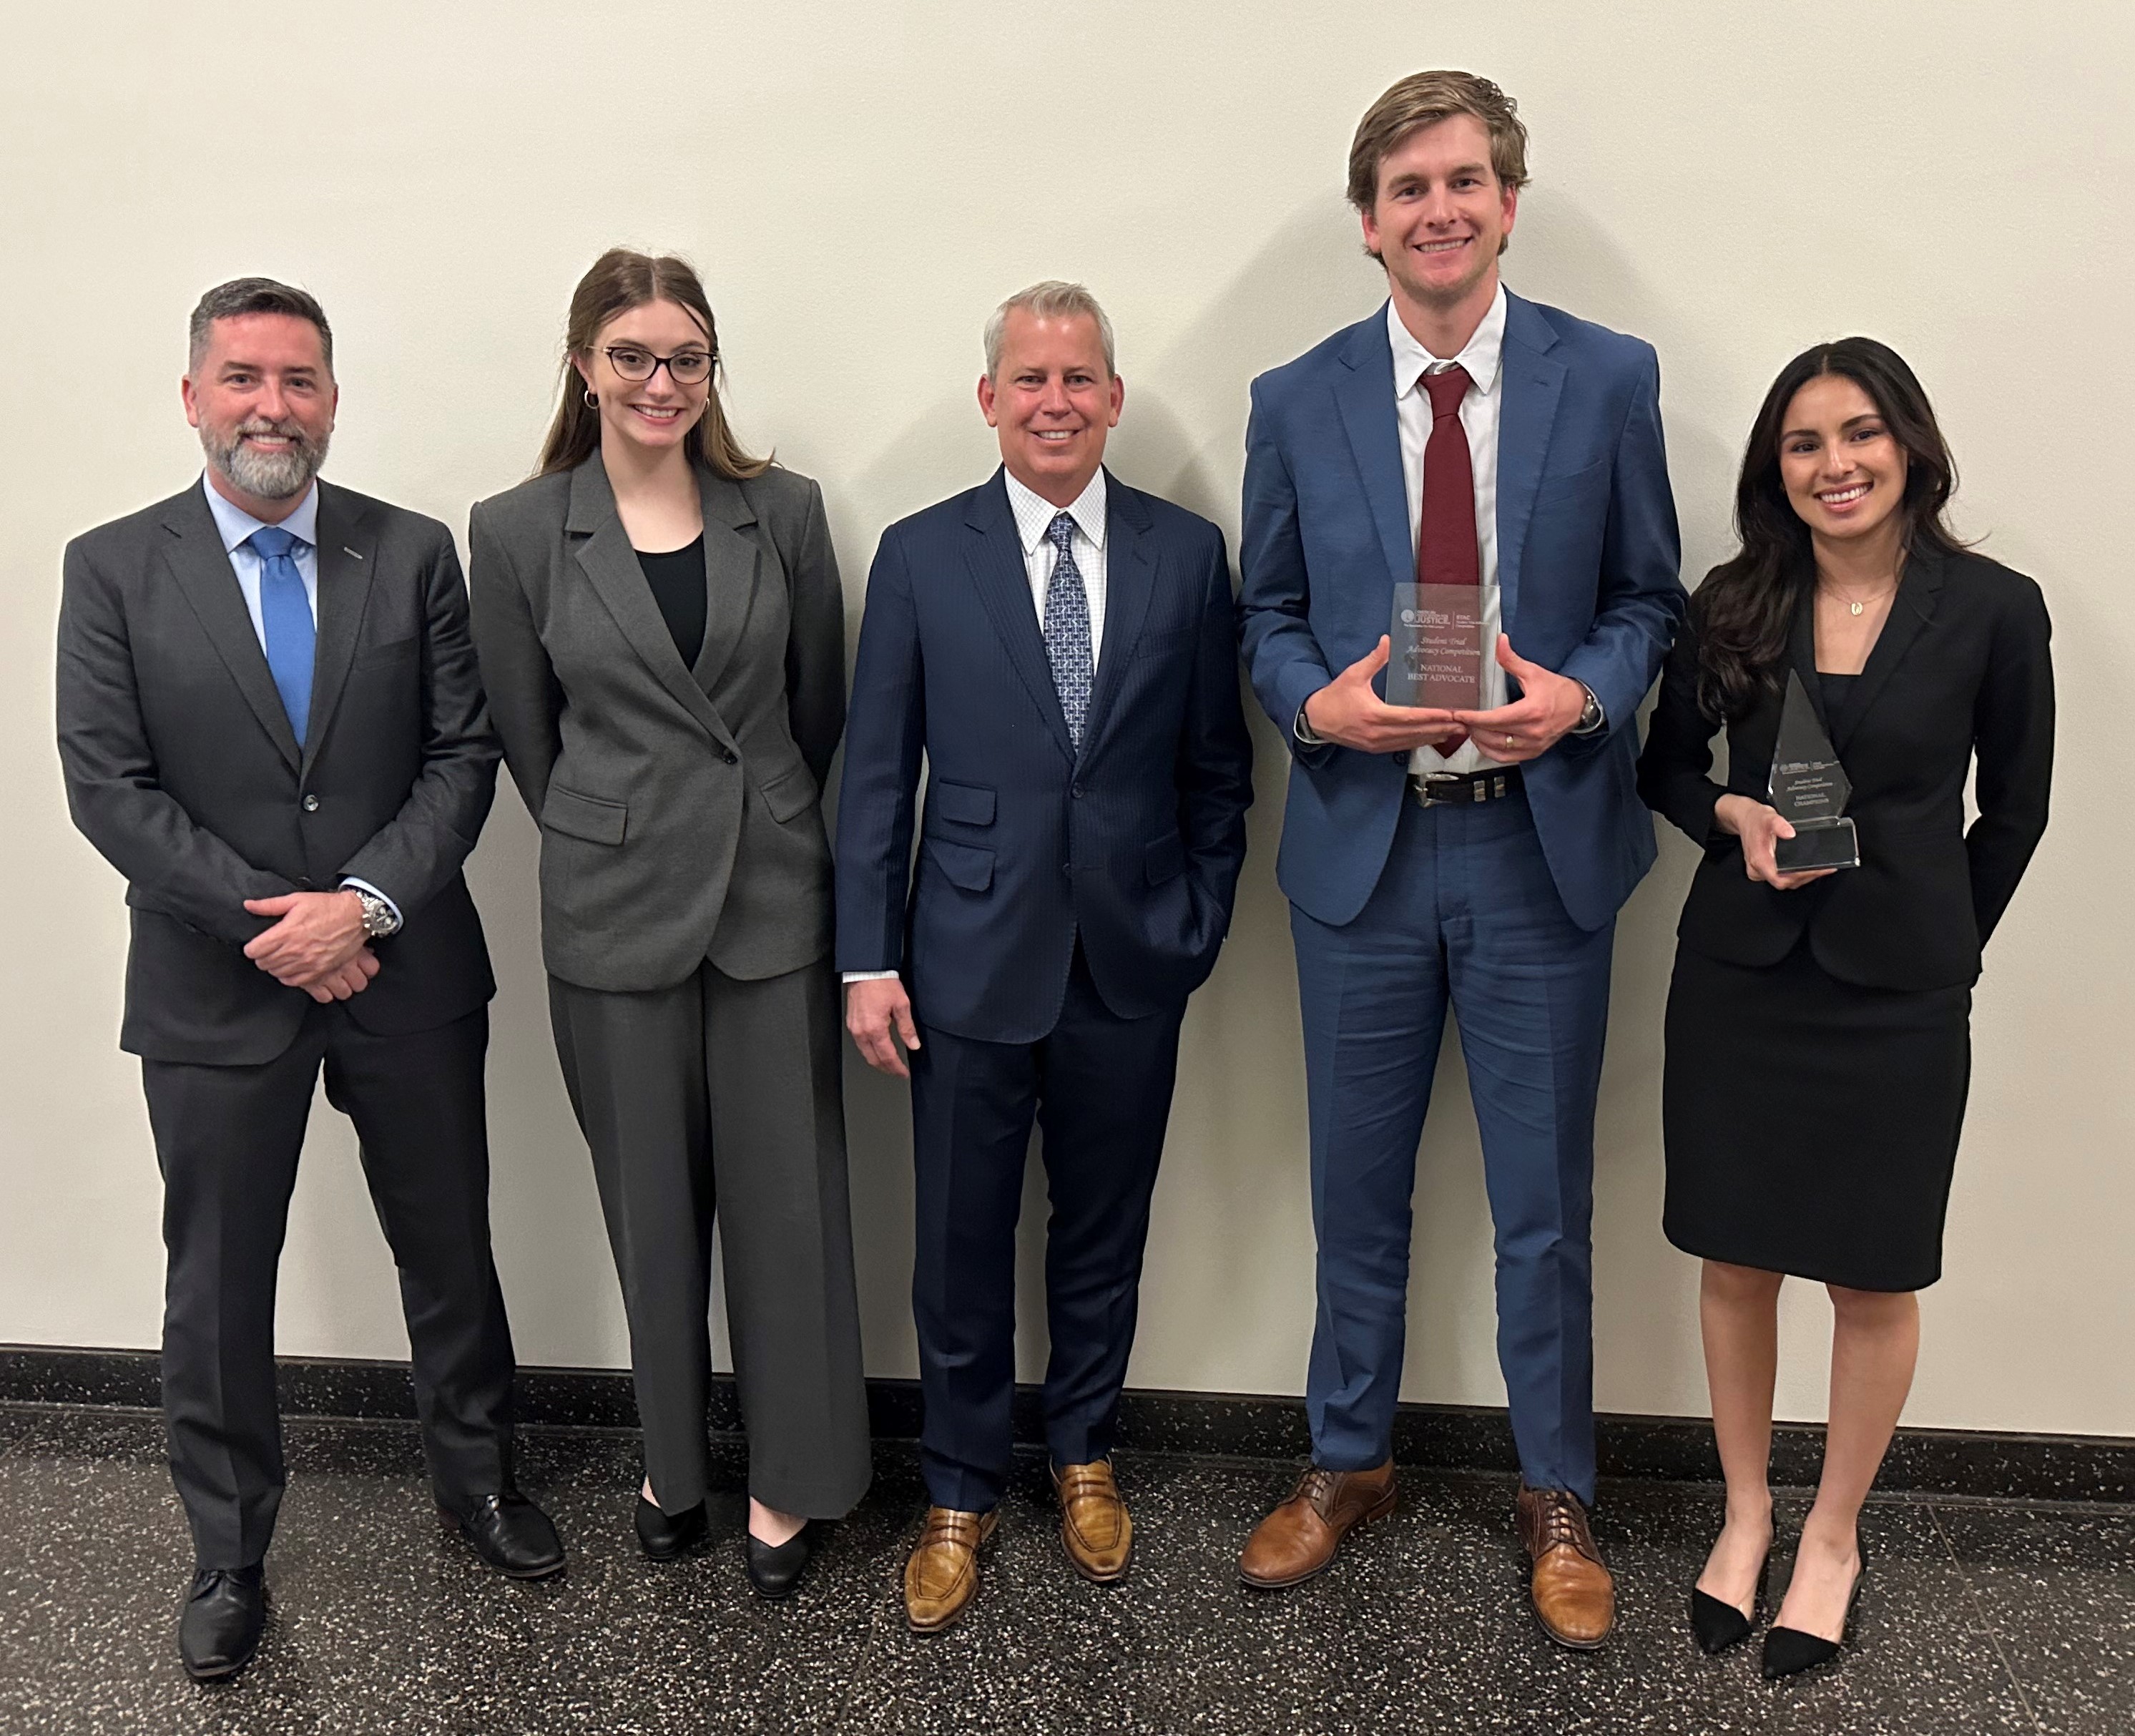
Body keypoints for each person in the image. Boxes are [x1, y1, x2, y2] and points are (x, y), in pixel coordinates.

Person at [1234, 72, 1685, 1649]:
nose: (1438, 207)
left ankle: (1556, 1488)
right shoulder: (1292, 398)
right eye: (1408, 185)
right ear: (1367, 222)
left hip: (1535, 855)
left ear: (1507, 200)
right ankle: (1346, 1457)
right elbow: (1264, 617)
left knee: (1540, 1206)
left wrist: (1586, 697)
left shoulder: (1605, 377)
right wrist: (1317, 705)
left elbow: (1648, 599)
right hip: (1362, 854)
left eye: (1466, 179)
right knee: (1355, 1196)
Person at [55, 279, 560, 1682]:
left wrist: (365, 903)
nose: (270, 405)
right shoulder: (111, 567)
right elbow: (109, 785)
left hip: (405, 968)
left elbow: (464, 756)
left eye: (298, 379)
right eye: (242, 378)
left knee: (448, 1243)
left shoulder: (406, 554)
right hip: (217, 987)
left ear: (332, 398)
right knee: (215, 1281)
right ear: (193, 395)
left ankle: (479, 1483)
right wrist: (274, 918)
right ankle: (227, 1549)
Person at [837, 281, 1255, 1634]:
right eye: (1031, 379)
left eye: (1080, 379)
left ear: (1114, 398)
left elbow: (1215, 770)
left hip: (1130, 959)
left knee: (1103, 1232)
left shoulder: (1188, 554)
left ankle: (1083, 1455)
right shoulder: (919, 553)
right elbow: (874, 776)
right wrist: (866, 957)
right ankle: (957, 1486)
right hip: (957, 959)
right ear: (990, 400)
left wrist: (1194, 922)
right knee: (957, 1245)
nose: (1056, 401)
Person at [1637, 338, 2053, 1678]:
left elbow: (2018, 810)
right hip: (1742, 980)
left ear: (1911, 448)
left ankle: (1831, 1534)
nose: (1835, 465)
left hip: (1898, 998)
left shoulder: (1993, 608)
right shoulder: (1731, 601)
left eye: (1859, 435)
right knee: (1737, 1258)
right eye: (1805, 442)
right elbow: (1663, 766)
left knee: (1873, 1273)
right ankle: (1746, 1516)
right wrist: (1725, 813)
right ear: (1777, 467)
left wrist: (1942, 945)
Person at [467, 249, 869, 1599]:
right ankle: (669, 1468)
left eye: (685, 358)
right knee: (648, 1213)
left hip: (770, 906)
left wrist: (750, 822)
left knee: (789, 1211)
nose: (659, 382)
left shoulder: (786, 513)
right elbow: (531, 743)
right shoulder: (519, 532)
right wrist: (629, 823)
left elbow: (821, 716)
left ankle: (787, 1483)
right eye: (631, 356)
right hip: (613, 913)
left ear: (712, 370)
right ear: (584, 365)